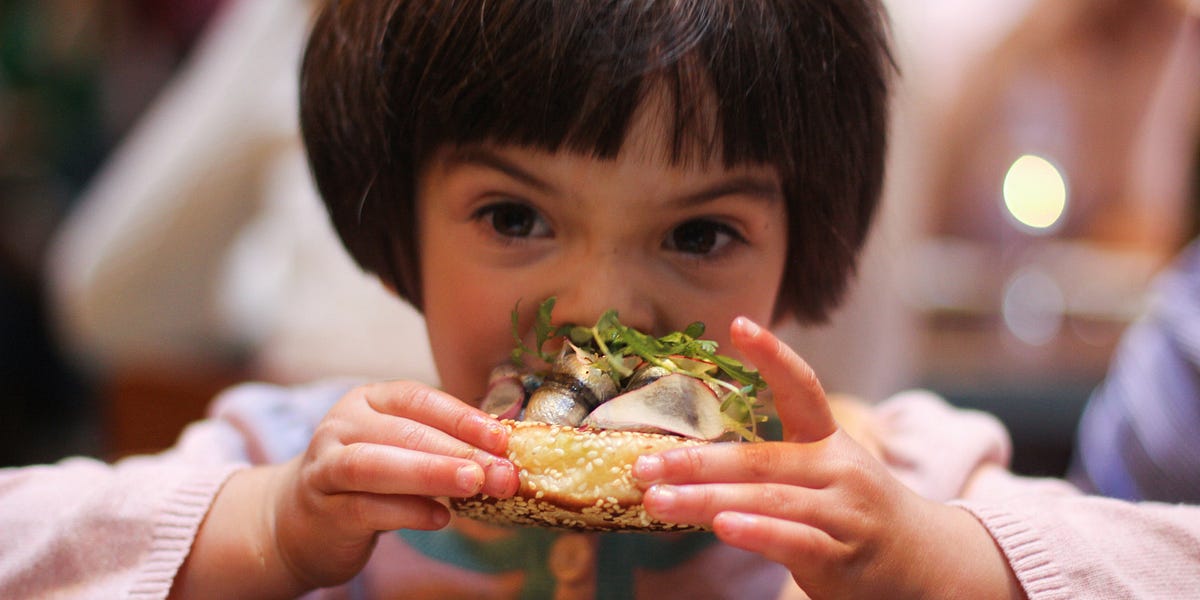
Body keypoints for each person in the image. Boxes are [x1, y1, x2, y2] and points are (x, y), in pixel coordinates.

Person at [2, 1, 1198, 599]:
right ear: (392, 222)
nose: (600, 304)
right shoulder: (302, 474)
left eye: (700, 233)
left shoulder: (883, 479)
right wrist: (261, 531)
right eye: (516, 219)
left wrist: (935, 553)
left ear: (807, 244)